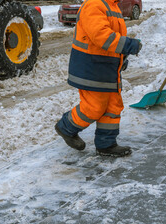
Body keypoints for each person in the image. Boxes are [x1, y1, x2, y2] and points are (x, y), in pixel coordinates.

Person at [55, 0, 142, 157]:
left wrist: (122, 58)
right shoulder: (94, 5)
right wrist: (128, 45)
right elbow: (102, 36)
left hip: (107, 67)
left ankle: (106, 145)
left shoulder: (113, 6)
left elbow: (113, 38)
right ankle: (66, 126)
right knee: (94, 107)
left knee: (112, 107)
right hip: (91, 67)